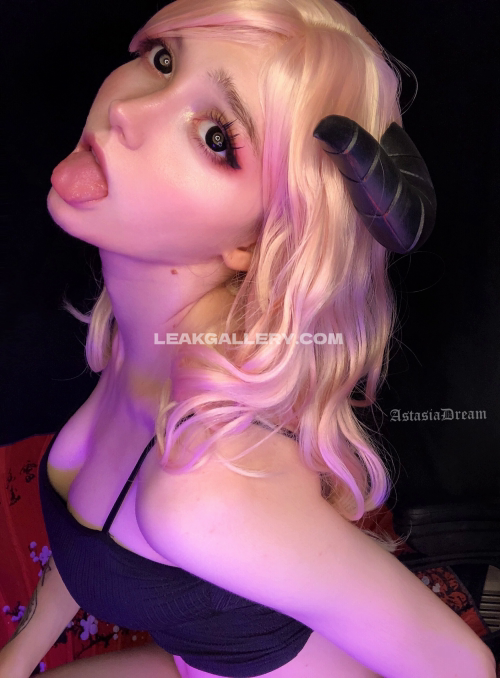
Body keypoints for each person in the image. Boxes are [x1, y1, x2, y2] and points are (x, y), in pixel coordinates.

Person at [0, 0, 495, 676]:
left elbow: (461, 665)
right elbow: (89, 524)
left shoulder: (206, 486)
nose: (128, 111)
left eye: (215, 138)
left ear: (257, 240)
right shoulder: (147, 345)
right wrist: (17, 658)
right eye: (163, 60)